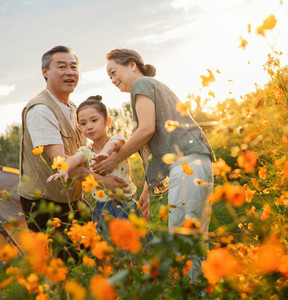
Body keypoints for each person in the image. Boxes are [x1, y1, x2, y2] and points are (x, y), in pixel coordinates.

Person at [92, 48, 214, 281]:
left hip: (187, 163)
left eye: (114, 71)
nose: (112, 79)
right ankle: (202, 289)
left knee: (183, 237)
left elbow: (146, 129)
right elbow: (159, 144)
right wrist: (147, 191)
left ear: (132, 65)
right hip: (196, 161)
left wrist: (114, 159)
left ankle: (194, 293)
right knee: (195, 238)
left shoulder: (141, 85)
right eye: (109, 77)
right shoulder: (151, 85)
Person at [17, 46, 128, 257]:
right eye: (62, 66)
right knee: (64, 263)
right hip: (45, 201)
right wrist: (102, 181)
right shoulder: (41, 109)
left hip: (71, 196)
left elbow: (84, 153)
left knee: (96, 249)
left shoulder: (73, 108)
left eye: (74, 67)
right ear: (45, 72)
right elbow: (59, 161)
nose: (70, 72)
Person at [47, 95, 152, 243]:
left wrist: (105, 153)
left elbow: (114, 145)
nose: (89, 126)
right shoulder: (85, 151)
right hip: (102, 209)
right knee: (109, 251)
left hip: (125, 205)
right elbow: (74, 159)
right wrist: (64, 169)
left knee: (137, 246)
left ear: (107, 121)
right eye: (83, 124)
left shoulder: (117, 139)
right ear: (79, 128)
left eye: (94, 120)